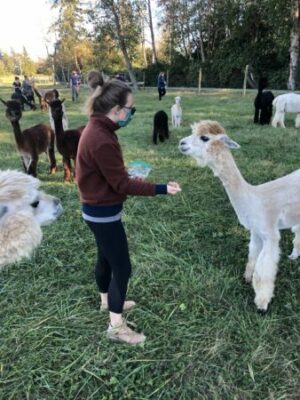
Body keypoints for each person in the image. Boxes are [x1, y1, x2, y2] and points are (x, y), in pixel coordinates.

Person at [76, 78, 181, 345]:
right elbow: (121, 184)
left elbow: (110, 175)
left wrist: (122, 175)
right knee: (122, 267)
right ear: (116, 109)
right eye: (130, 109)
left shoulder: (98, 127)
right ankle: (116, 326)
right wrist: (160, 188)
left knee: (106, 258)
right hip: (103, 213)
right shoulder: (101, 138)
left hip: (94, 208)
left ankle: (105, 301)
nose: (131, 114)